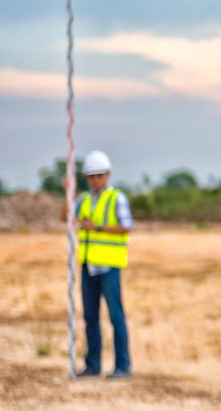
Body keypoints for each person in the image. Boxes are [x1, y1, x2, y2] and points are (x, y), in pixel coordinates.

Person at [61, 150, 132, 379]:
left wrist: (97, 227)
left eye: (99, 175)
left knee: (115, 317)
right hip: (88, 265)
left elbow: (126, 226)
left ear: (108, 175)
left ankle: (122, 366)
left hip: (109, 266)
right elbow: (66, 218)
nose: (95, 180)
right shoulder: (82, 199)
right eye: (91, 176)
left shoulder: (116, 198)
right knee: (90, 317)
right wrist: (67, 193)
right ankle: (92, 365)